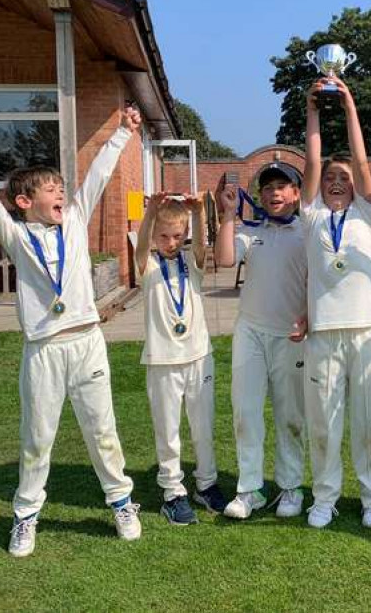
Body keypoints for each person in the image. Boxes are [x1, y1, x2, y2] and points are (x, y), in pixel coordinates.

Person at [0, 109, 143, 558]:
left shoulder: (76, 221)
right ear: (24, 202)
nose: (62, 192)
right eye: (51, 189)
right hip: (43, 351)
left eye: (62, 187)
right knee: (37, 438)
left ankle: (121, 502)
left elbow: (98, 174)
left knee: (103, 431)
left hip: (87, 342)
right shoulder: (17, 237)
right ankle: (25, 516)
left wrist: (122, 132)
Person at [299, 77, 371, 529]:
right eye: (330, 179)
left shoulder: (365, 212)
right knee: (324, 424)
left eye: (343, 179)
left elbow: (357, 157)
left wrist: (349, 101)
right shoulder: (311, 214)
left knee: (368, 422)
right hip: (323, 335)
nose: (336, 181)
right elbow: (313, 159)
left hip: (364, 332)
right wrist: (313, 111)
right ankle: (325, 496)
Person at [214, 163, 308, 519]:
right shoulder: (249, 230)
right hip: (250, 332)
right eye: (268, 188)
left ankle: (290, 487)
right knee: (247, 412)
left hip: (291, 335)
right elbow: (224, 260)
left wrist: (309, 318)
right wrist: (227, 214)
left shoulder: (307, 231)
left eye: (283, 186)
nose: (275, 193)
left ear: (297, 194)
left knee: (290, 414)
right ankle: (249, 488)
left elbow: (318, 281)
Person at [135, 192, 223, 524]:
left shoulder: (192, 264)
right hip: (161, 361)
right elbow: (140, 248)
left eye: (176, 236)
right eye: (163, 236)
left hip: (199, 357)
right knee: (168, 430)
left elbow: (201, 247)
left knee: (203, 427)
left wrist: (199, 214)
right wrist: (150, 214)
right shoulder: (147, 266)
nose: (170, 242)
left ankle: (207, 482)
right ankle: (172, 491)